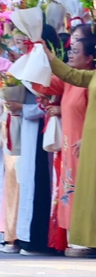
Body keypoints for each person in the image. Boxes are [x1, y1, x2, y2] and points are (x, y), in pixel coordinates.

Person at [45, 40, 96, 257]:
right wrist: (47, 55)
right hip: (91, 141)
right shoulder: (92, 75)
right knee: (89, 193)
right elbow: (70, 75)